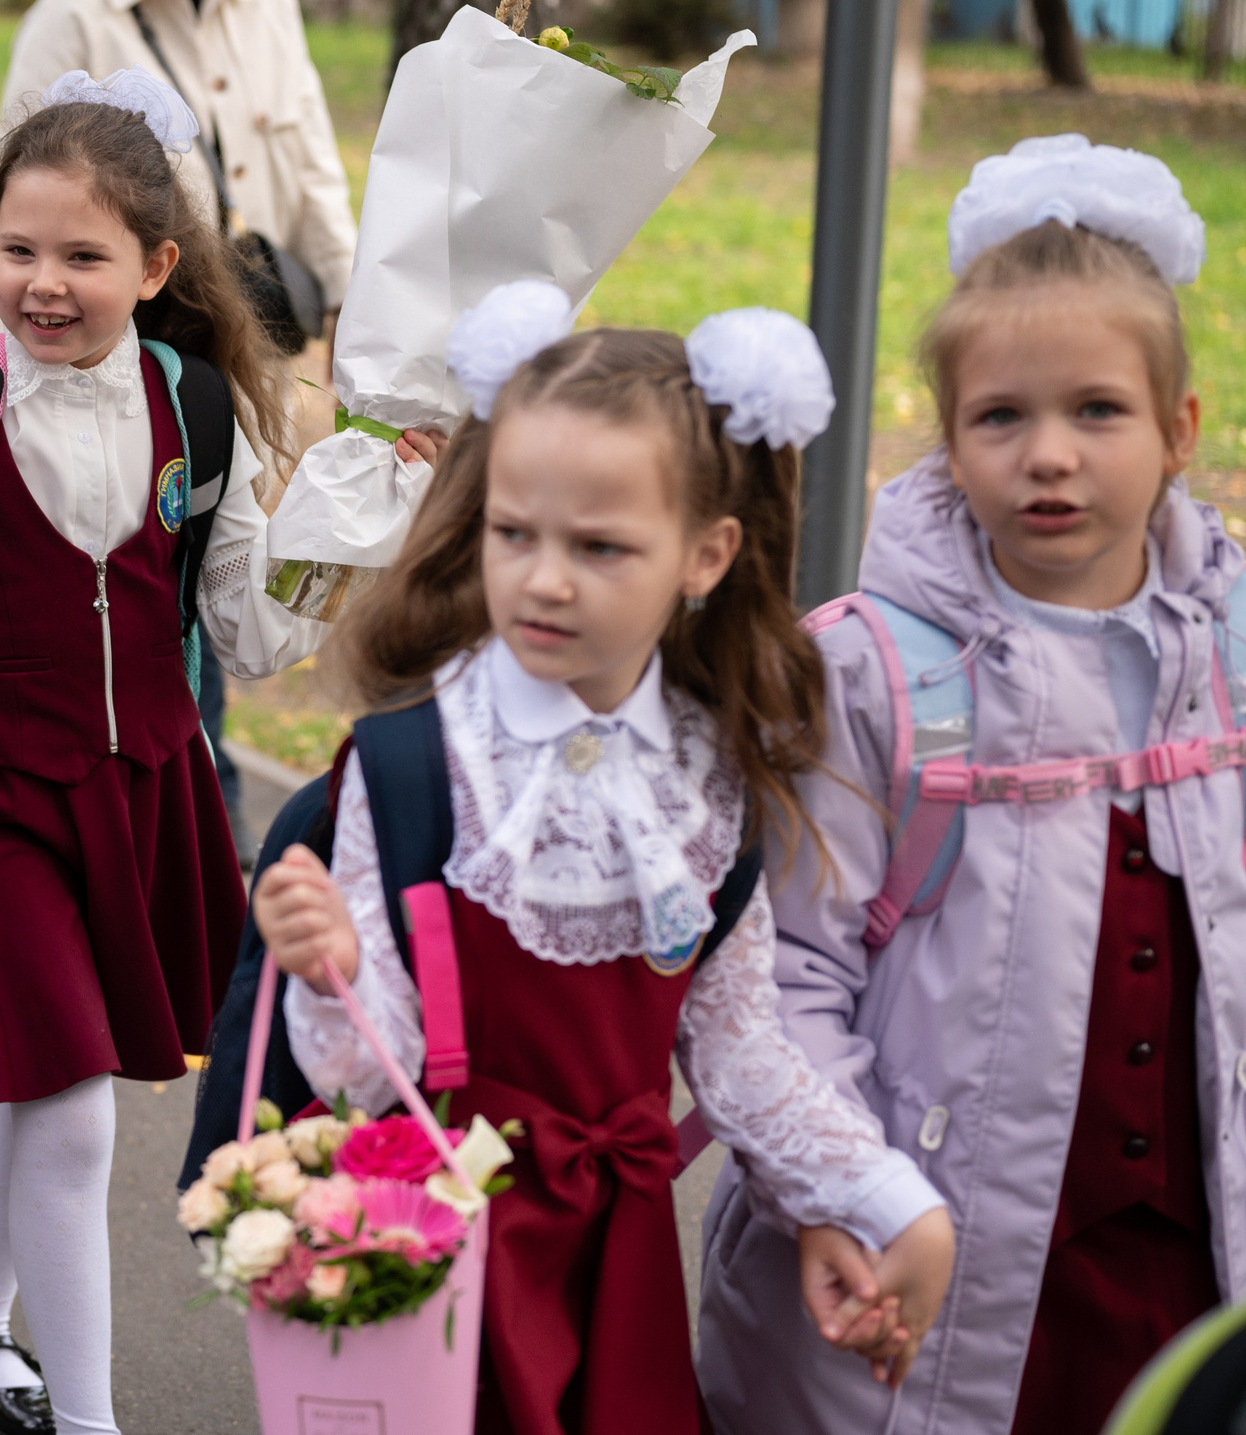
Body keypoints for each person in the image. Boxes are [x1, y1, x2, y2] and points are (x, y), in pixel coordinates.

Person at [254, 287, 958, 1433]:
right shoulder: (415, 763)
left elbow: (736, 1048)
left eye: (599, 545)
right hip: (434, 1243)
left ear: (705, 552)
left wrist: (888, 1202)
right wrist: (326, 963)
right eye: (513, 532)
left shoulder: (711, 779)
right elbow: (354, 1077)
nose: (543, 577)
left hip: (613, 1252)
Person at [696, 136, 1246, 1434]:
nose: (1048, 453)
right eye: (1003, 415)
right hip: (933, 1264)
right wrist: (859, 1192)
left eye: (1096, 411)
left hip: (1185, 1266)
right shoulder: (875, 675)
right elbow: (785, 981)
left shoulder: (1228, 655)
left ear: (1177, 432)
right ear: (949, 439)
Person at [0, 74, 332, 1435]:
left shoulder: (201, 405)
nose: (42, 283)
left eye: (82, 256)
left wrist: (347, 538)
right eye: (17, 247)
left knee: (56, 1077)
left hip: (149, 789)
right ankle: (93, 1420)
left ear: (157, 265)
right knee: (71, 1104)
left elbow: (244, 624)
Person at [0, 0, 359, 855]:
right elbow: (16, 182)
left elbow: (314, 161)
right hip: (125, 332)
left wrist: (355, 299)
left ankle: (191, 808)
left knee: (223, 563)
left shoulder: (265, 1)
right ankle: (188, 809)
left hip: (249, 330)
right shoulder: (75, 6)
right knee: (158, 577)